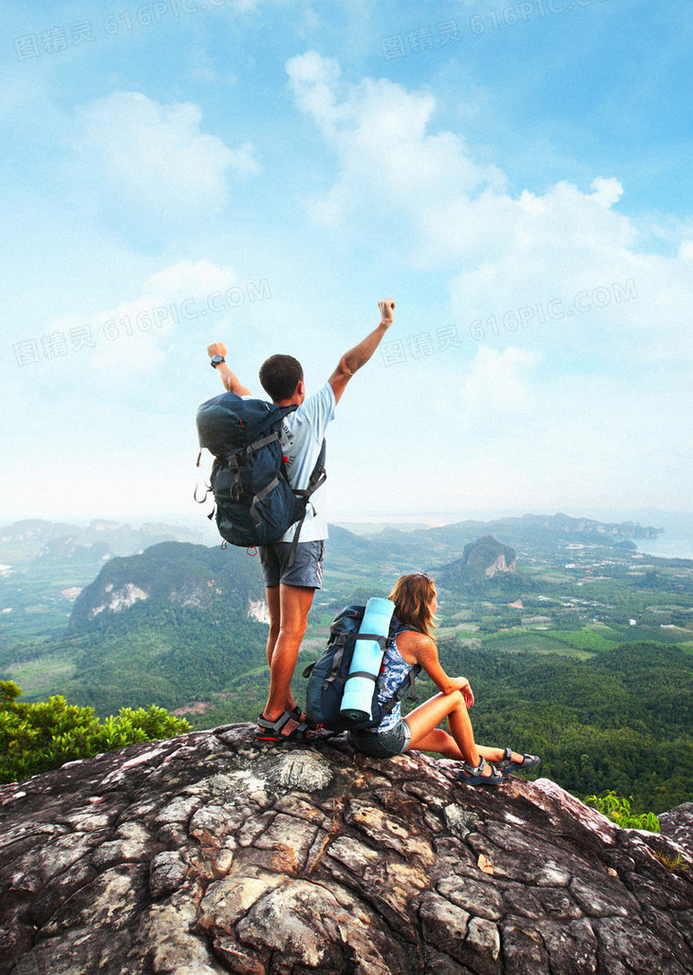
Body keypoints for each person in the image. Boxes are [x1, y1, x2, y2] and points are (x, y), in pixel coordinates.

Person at [206, 299, 395, 744]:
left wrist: (219, 360)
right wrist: (383, 324)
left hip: (268, 532)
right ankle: (273, 715)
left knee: (277, 628)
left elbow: (233, 385)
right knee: (294, 629)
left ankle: (284, 701)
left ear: (268, 388)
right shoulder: (310, 414)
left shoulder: (257, 418)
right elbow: (348, 366)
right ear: (300, 385)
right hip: (301, 536)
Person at [351, 572, 541, 785]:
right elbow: (447, 686)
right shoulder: (419, 642)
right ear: (423, 604)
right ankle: (475, 768)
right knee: (456, 699)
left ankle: (501, 756)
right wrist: (464, 680)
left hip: (359, 731)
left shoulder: (380, 631)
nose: (437, 604)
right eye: (435, 599)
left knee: (441, 739)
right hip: (382, 738)